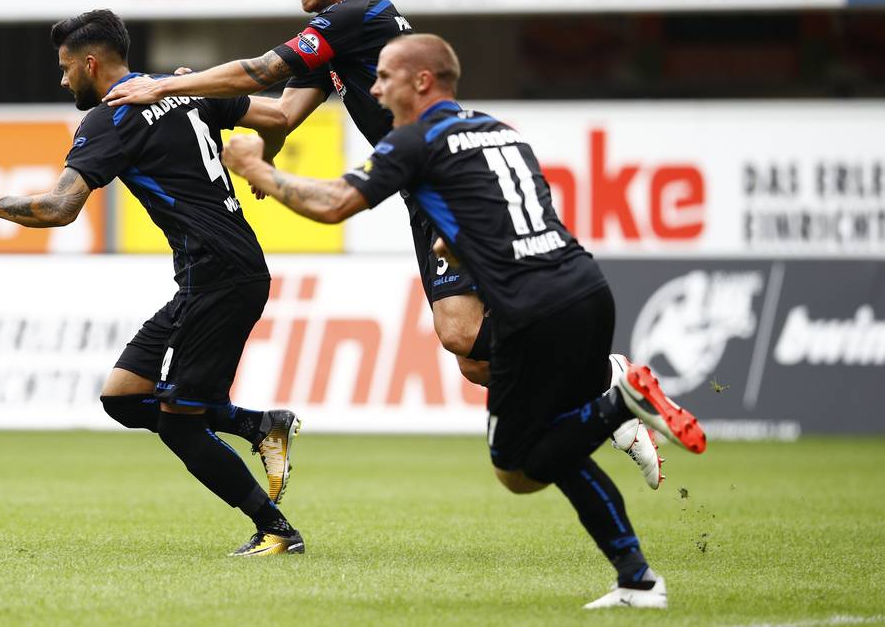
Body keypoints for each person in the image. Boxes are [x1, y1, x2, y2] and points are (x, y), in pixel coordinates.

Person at [103, 0, 664, 489]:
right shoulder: (335, 37)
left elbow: (262, 71)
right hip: (427, 188)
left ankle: (604, 379)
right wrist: (257, 155)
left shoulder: (357, 13)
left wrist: (166, 85)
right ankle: (605, 399)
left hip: (452, 177)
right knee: (475, 360)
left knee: (458, 333)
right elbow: (281, 113)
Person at [220, 33, 708, 606]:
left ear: (422, 81)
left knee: (517, 468)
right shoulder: (502, 131)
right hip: (587, 291)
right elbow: (515, 213)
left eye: (384, 77)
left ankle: (620, 402)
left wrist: (258, 169)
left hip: (531, 310)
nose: (374, 90)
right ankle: (637, 580)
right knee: (559, 446)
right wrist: (459, 245)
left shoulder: (414, 140)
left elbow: (334, 204)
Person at [0, 9, 303, 556]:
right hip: (218, 273)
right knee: (122, 397)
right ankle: (258, 424)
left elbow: (61, 207)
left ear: (91, 64)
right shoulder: (185, 88)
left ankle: (276, 530)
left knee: (180, 424)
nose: (62, 80)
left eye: (65, 68)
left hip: (217, 276)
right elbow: (277, 117)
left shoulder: (111, 117)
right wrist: (267, 166)